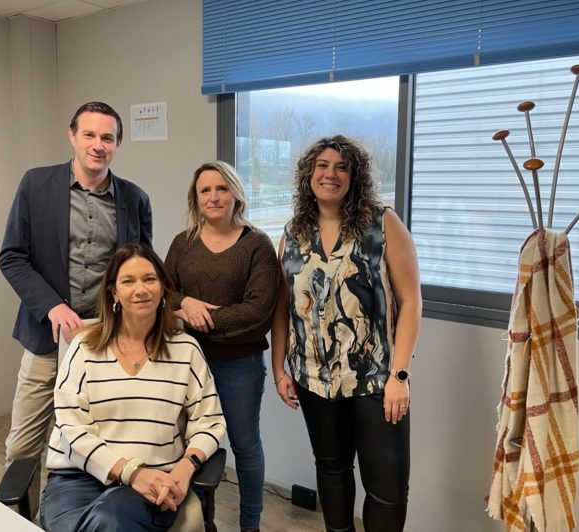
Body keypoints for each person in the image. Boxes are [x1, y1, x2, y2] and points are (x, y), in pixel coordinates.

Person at [0, 102, 153, 496]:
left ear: (118, 143)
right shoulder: (36, 185)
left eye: (107, 138)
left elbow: (141, 269)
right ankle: (23, 519)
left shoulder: (135, 199)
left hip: (106, 338)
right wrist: (52, 305)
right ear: (72, 136)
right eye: (89, 135)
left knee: (100, 442)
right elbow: (12, 257)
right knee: (22, 446)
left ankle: (82, 515)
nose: (98, 145)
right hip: (47, 336)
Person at [271, 136, 422, 532]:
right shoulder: (292, 233)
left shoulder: (382, 224)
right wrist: (279, 369)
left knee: (387, 489)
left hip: (376, 379)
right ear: (309, 175)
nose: (331, 174)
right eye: (322, 165)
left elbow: (411, 302)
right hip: (313, 379)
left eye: (341, 167)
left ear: (355, 176)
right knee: (332, 472)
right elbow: (282, 307)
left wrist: (400, 376)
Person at [40, 243, 226, 531]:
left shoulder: (185, 350)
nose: (141, 289)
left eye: (149, 279)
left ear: (163, 288)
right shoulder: (84, 346)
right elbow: (71, 426)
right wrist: (129, 471)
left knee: (109, 518)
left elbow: (210, 421)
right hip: (77, 480)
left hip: (153, 482)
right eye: (128, 281)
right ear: (114, 293)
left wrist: (185, 468)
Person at [164, 161, 279, 532]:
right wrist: (185, 303)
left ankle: (250, 525)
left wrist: (200, 319)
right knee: (185, 445)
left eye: (221, 188)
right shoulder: (182, 244)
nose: (213, 197)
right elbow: (163, 292)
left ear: (236, 194)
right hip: (186, 363)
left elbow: (259, 311)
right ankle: (197, 521)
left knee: (245, 446)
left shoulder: (257, 244)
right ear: (195, 198)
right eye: (205, 190)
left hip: (239, 365)